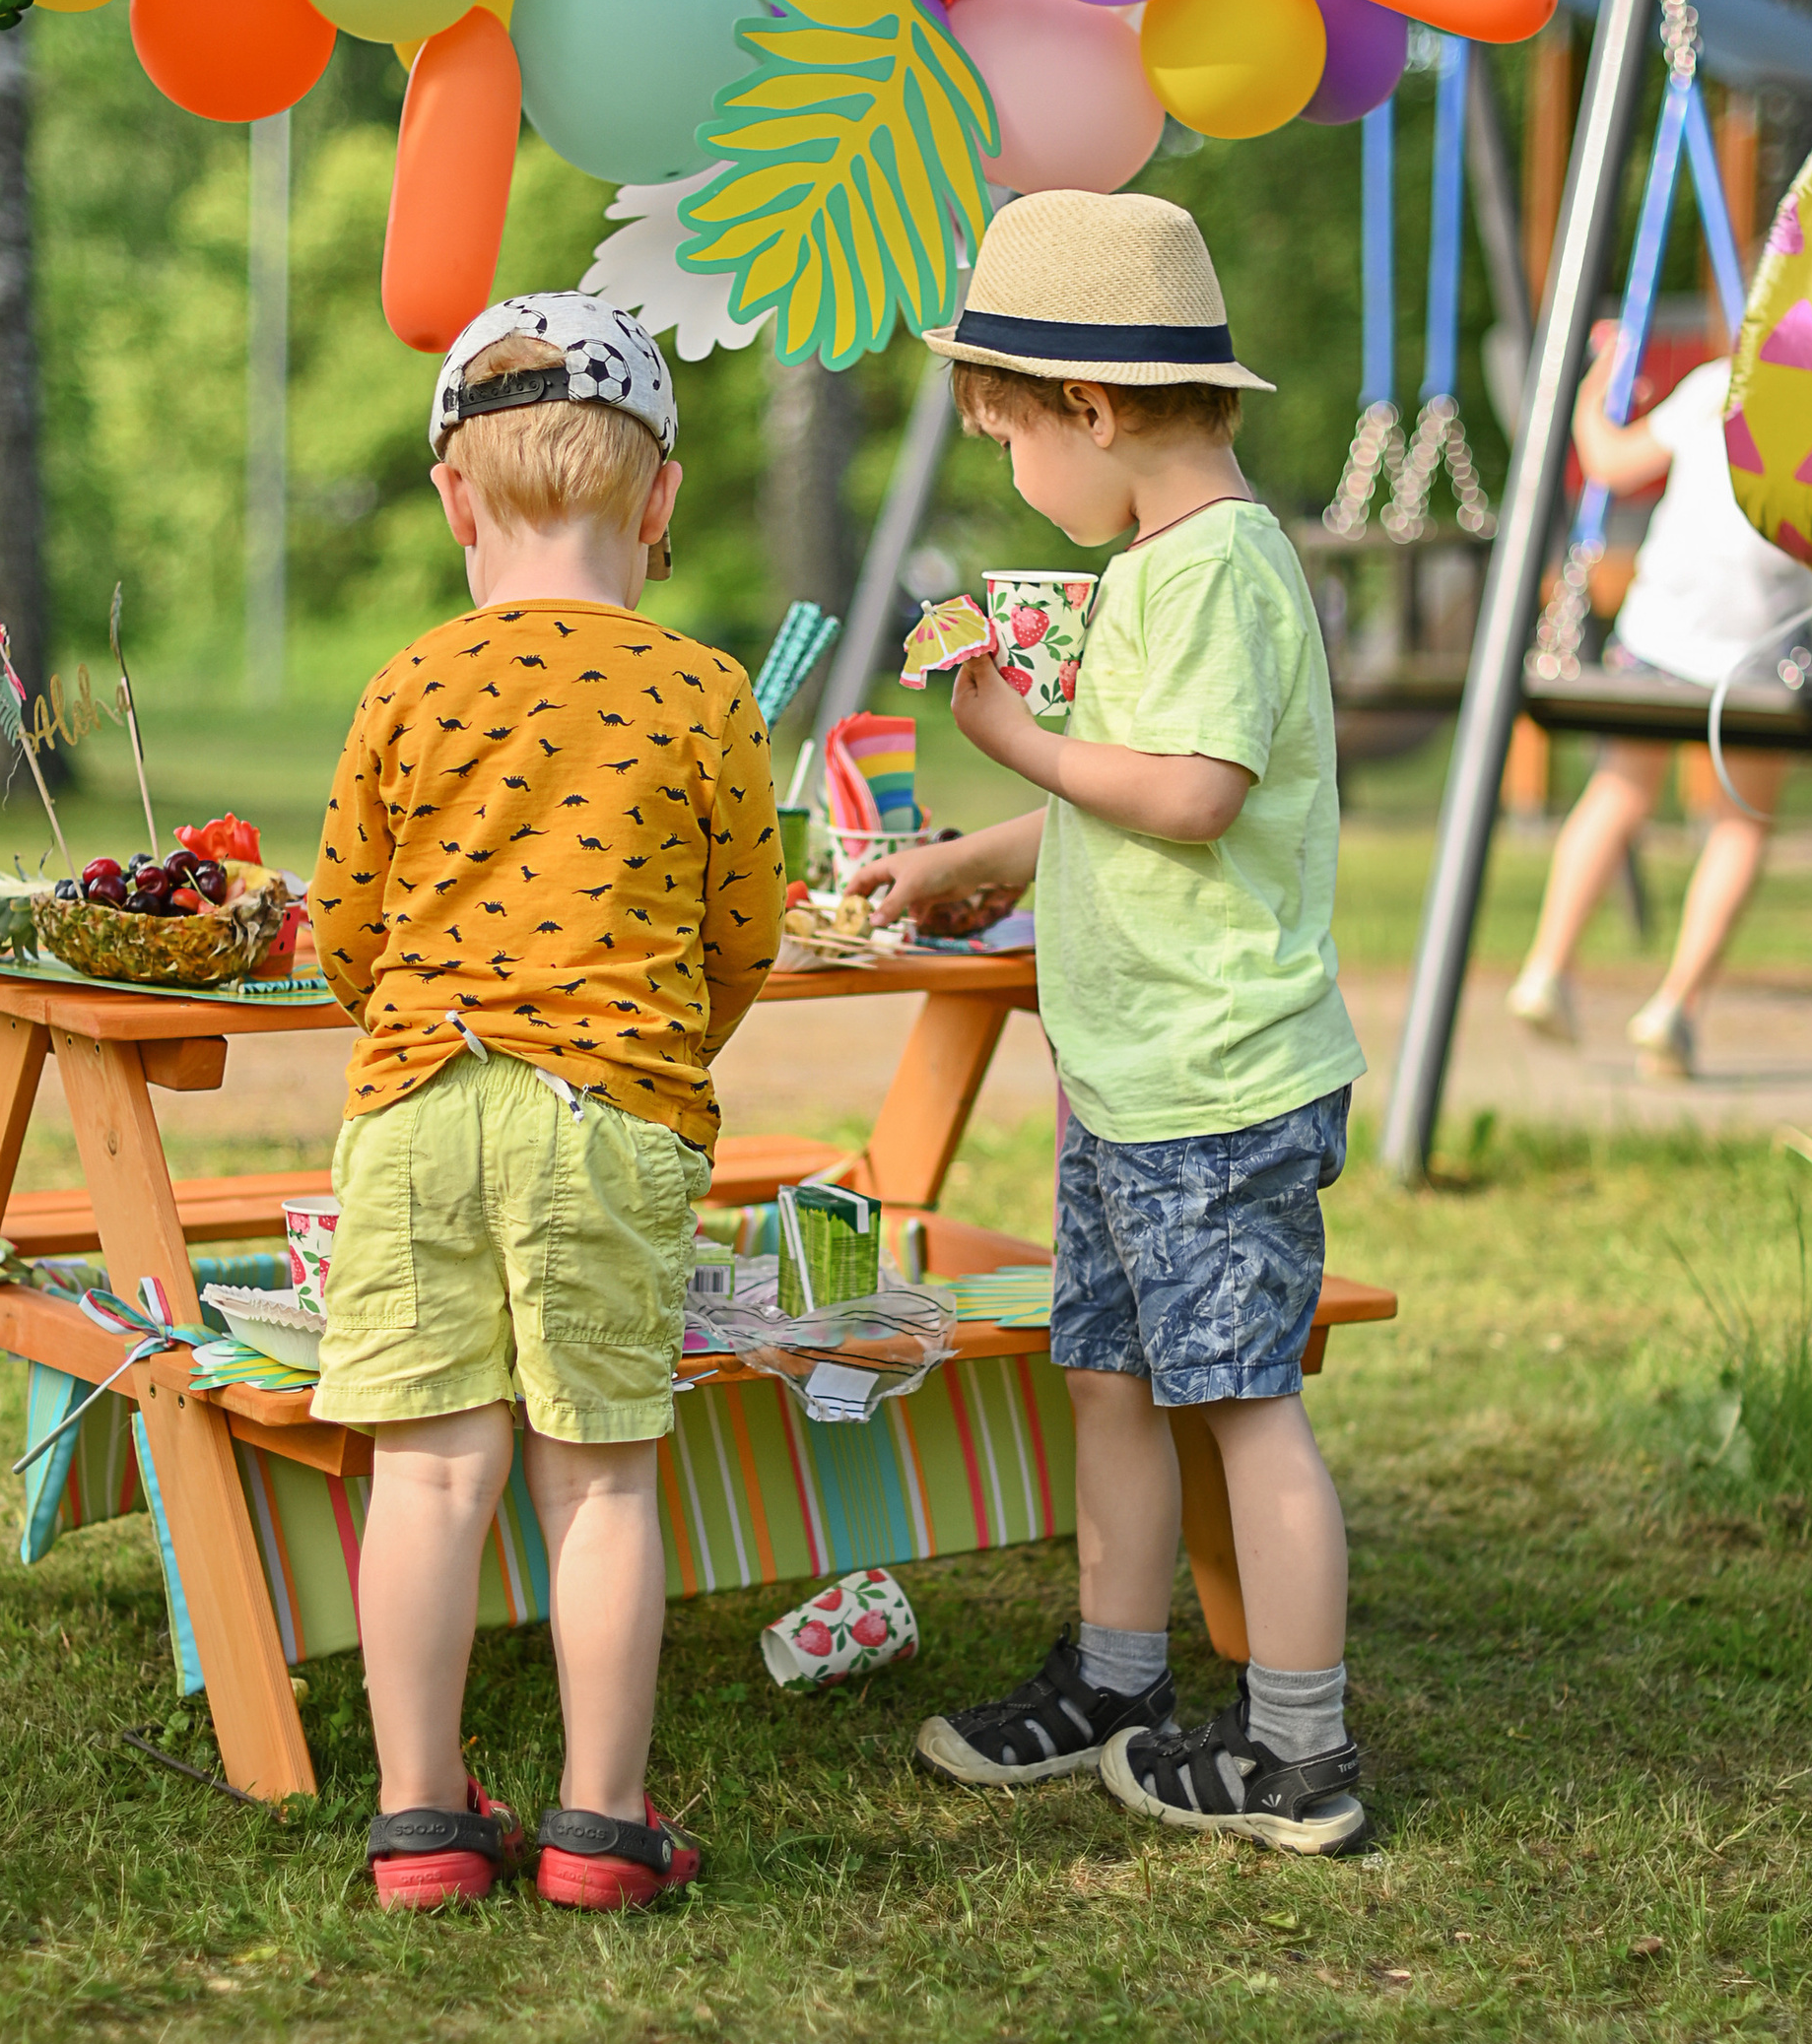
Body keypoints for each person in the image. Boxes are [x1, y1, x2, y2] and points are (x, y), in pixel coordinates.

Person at [848, 190, 1369, 1856]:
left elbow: (1197, 796)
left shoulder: (1216, 570)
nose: (1013, 477)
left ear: (1088, 409)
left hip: (1214, 1085)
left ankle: (1302, 1751)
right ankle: (1120, 1678)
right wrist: (980, 861)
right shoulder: (1157, 562)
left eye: (1009, 438)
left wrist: (1019, 743)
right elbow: (1123, 805)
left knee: (1240, 1403)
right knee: (1114, 1382)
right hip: (1130, 1083)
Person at [307, 293, 784, 1916]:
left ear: (453, 498)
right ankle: (599, 1822)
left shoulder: (406, 685)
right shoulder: (704, 691)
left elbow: (346, 937)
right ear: (658, 504)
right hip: (609, 1108)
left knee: (429, 1475)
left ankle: (423, 1819)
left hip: (424, 1097)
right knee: (598, 1480)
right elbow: (745, 937)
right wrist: (662, 1054)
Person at [1509, 328, 1812, 1079]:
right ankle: (1673, 1005)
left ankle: (1547, 967)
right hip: (1753, 653)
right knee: (1741, 823)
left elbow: (1608, 461)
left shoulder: (1717, 385)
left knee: (1618, 792)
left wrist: (1596, 385)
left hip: (1657, 637)